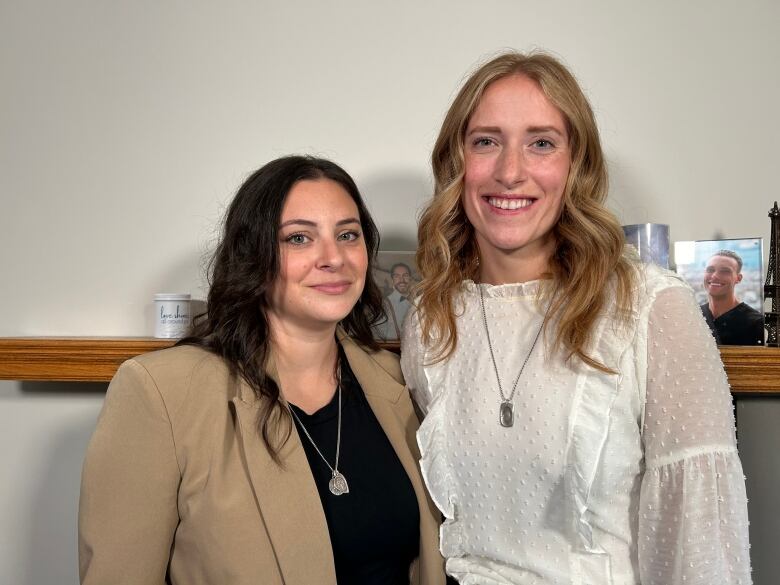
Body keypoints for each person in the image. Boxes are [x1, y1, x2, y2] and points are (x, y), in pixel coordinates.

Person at [401, 51, 752, 585]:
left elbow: (700, 549)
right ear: (458, 162)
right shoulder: (431, 319)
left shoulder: (652, 309)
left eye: (541, 143)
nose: (511, 171)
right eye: (486, 141)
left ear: (575, 165)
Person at [79, 155, 446, 585]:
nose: (333, 258)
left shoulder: (398, 379)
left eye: (348, 234)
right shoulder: (161, 393)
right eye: (299, 239)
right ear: (252, 255)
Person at [700, 249, 764, 345]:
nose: (715, 276)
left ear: (738, 278)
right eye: (710, 270)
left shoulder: (756, 324)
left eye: (725, 271)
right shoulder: (695, 314)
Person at [376, 262, 414, 340]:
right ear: (392, 280)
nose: (402, 280)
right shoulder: (383, 305)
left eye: (405, 275)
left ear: (410, 278)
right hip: (393, 350)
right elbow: (378, 337)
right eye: (397, 276)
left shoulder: (419, 302)